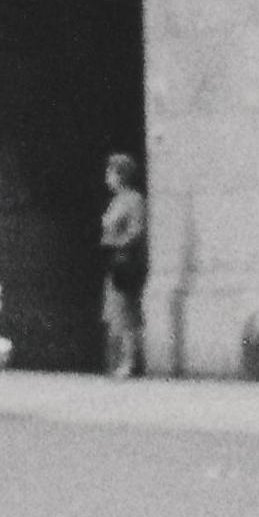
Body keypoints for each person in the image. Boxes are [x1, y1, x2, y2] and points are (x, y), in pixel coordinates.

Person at [94, 151, 149, 378]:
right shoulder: (115, 201)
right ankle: (114, 363)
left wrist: (116, 243)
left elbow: (137, 230)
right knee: (112, 313)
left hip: (125, 262)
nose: (108, 177)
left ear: (121, 175)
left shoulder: (134, 200)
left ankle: (129, 363)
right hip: (113, 263)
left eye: (111, 172)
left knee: (127, 314)